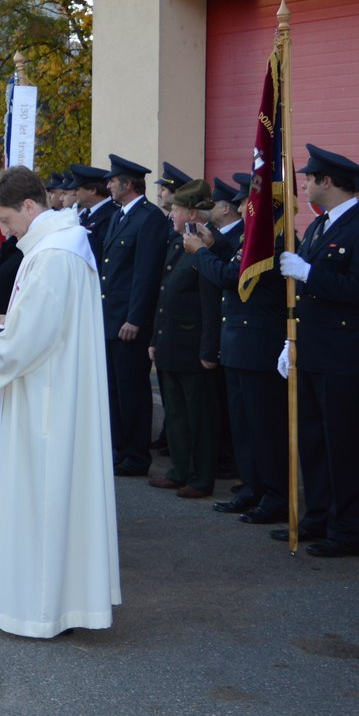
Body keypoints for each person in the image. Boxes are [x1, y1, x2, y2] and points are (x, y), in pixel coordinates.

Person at [0, 166, 120, 638]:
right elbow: (43, 323)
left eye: (6, 221)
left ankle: (39, 610)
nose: (4, 232)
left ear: (29, 206)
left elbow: (30, 341)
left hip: (46, 399)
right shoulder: (56, 247)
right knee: (49, 499)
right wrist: (9, 321)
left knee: (41, 498)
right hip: (50, 387)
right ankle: (53, 602)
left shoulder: (53, 256)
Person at [277, 144, 359, 557]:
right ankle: (318, 516)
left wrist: (310, 273)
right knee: (311, 439)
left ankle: (347, 528)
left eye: (309, 178)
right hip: (310, 348)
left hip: (343, 356)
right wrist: (289, 339)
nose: (304, 184)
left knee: (341, 443)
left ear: (328, 181)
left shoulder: (358, 226)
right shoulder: (318, 226)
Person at [187, 178, 284, 523]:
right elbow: (236, 262)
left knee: (263, 426)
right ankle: (253, 487)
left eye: (247, 202)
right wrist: (213, 247)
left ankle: (274, 494)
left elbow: (232, 276)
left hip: (258, 344)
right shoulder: (253, 236)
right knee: (244, 425)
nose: (243, 207)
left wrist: (200, 252)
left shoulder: (272, 236)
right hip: (240, 343)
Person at [147, 179, 218, 498]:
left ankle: (201, 477)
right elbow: (164, 295)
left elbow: (210, 303)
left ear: (191, 211)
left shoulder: (207, 245)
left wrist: (209, 348)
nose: (171, 214)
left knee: (199, 416)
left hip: (192, 346)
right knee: (175, 412)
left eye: (175, 209)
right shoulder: (178, 242)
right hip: (170, 341)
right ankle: (179, 469)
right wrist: (154, 338)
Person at [100, 154, 168, 477]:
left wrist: (136, 318)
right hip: (111, 318)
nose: (109, 184)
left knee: (132, 391)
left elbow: (145, 273)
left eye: (113, 180)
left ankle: (136, 455)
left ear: (127, 184)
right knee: (114, 390)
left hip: (129, 322)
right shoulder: (120, 216)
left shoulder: (149, 218)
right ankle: (119, 450)